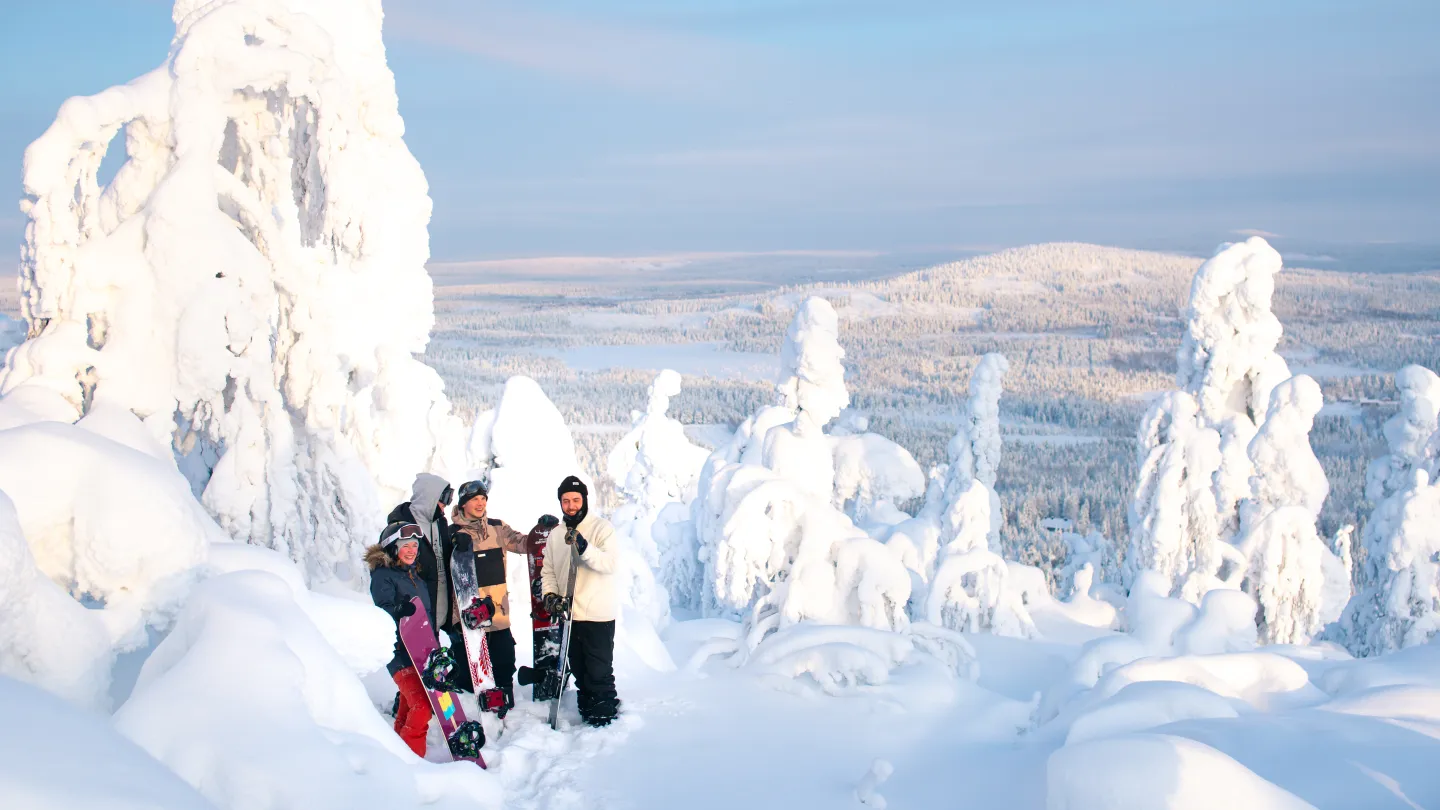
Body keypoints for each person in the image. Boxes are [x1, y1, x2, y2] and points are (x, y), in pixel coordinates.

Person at [448, 479, 551, 711]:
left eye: (483, 499)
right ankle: (473, 715)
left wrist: (541, 533)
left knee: (504, 664)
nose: (480, 503)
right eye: (474, 499)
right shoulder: (451, 534)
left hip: (498, 616)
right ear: (463, 503)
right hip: (469, 621)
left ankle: (505, 711)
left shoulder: (497, 528)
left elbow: (524, 544)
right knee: (469, 672)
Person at [541, 475, 620, 727]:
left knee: (598, 672)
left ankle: (604, 716)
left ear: (584, 500)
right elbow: (549, 570)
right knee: (580, 670)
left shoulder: (601, 528)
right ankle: (588, 712)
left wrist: (585, 548)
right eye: (566, 501)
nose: (571, 505)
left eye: (576, 500)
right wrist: (550, 595)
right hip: (570, 615)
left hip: (597, 615)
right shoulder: (556, 535)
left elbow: (609, 563)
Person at [367, 521, 437, 756]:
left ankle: (396, 754)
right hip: (398, 652)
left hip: (420, 652)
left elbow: (425, 616)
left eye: (415, 545)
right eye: (406, 545)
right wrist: (400, 610)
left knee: (409, 705)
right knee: (423, 706)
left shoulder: (414, 575)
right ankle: (411, 762)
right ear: (392, 548)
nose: (412, 550)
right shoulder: (383, 575)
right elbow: (382, 610)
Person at [387, 473, 456, 665]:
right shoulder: (402, 524)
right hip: (413, 599)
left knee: (430, 651)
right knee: (411, 653)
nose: (445, 505)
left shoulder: (439, 522)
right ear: (430, 496)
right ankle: (408, 693)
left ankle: (429, 689)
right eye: (443, 499)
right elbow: (390, 563)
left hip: (437, 598)